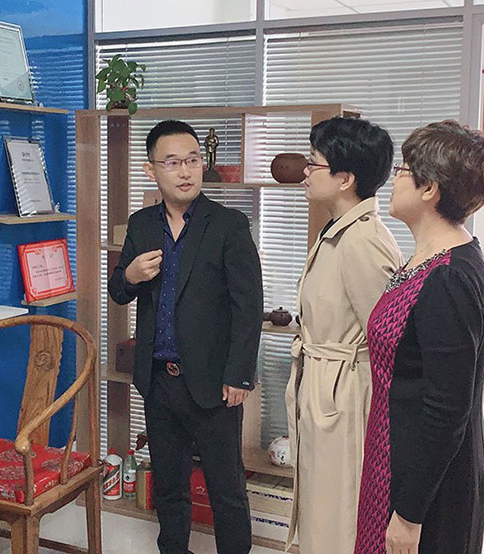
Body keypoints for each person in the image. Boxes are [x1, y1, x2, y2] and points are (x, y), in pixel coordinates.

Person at [108, 120, 263, 554]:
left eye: (192, 160)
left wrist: (239, 374)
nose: (185, 171)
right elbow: (118, 291)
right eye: (173, 162)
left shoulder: (229, 224)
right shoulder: (141, 224)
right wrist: (131, 275)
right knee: (169, 487)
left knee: (226, 489)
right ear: (151, 170)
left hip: (214, 383)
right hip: (159, 380)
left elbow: (248, 307)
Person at [353, 120, 484, 554]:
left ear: (429, 189)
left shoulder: (449, 277)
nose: (394, 178)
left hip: (431, 486)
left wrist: (409, 514)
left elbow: (447, 409)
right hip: (395, 456)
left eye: (403, 169)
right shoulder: (426, 259)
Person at [284, 116, 402, 553]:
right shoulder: (337, 230)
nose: (305, 172)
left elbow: (389, 339)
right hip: (325, 385)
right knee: (318, 512)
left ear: (345, 178)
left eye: (313, 163)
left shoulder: (363, 240)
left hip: (346, 395)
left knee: (337, 519)